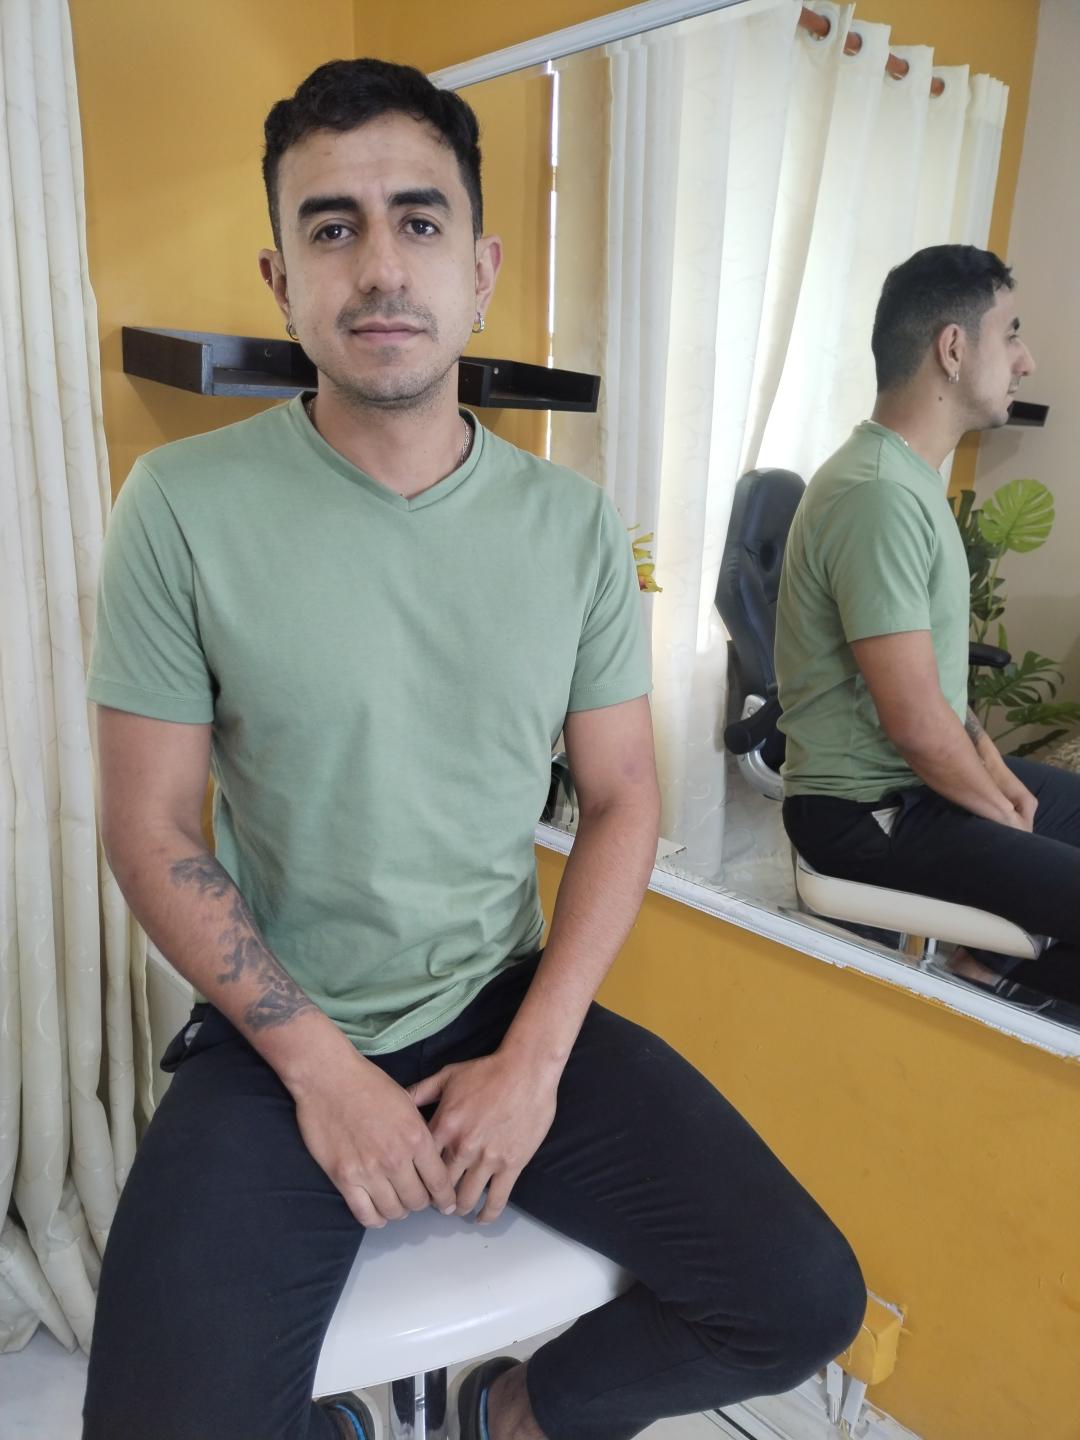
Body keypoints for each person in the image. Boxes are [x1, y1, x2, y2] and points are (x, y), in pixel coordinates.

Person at [82, 59, 864, 1440]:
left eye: (420, 220)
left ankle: (516, 1412)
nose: (381, 266)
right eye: (333, 227)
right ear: (281, 279)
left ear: (482, 268)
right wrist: (325, 1074)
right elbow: (151, 829)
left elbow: (623, 799)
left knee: (801, 1298)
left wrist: (537, 1060)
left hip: (502, 1004)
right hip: (281, 1037)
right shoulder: (183, 505)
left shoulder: (572, 528)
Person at [776, 244, 1080, 1011]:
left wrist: (1000, 778)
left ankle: (986, 964)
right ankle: (995, 978)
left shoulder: (906, 479)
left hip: (914, 792)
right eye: (1011, 334)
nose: (1026, 360)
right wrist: (1003, 817)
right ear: (953, 348)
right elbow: (914, 721)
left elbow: (941, 694)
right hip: (864, 814)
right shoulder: (877, 495)